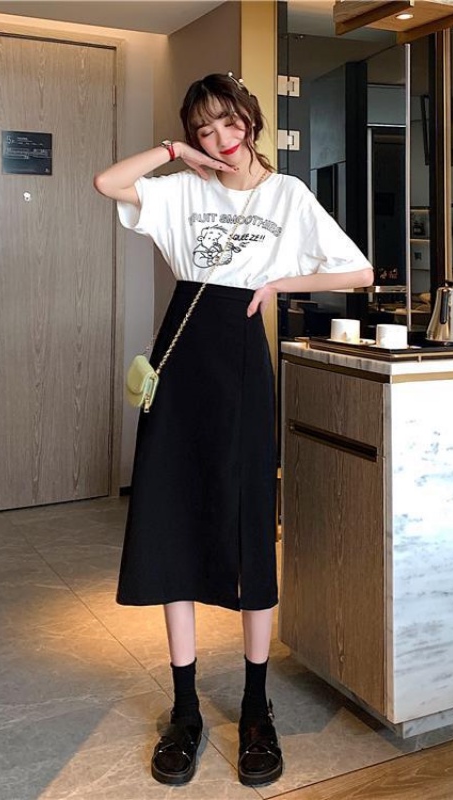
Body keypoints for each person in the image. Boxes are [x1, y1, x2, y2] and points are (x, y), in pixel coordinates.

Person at [93, 72, 373, 787]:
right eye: (204, 128)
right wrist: (173, 153)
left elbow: (358, 272)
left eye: (228, 122)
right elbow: (106, 183)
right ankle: (185, 710)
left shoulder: (288, 196)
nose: (219, 138)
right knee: (172, 522)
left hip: (242, 361)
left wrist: (279, 284)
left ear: (250, 118)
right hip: (181, 354)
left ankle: (255, 707)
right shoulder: (183, 189)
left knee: (248, 524)